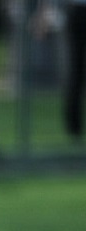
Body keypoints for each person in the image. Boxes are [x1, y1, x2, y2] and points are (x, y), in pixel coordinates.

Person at [63, 0, 86, 139]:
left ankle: (74, 129)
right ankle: (74, 128)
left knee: (76, 73)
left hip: (76, 11)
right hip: (77, 11)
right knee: (76, 73)